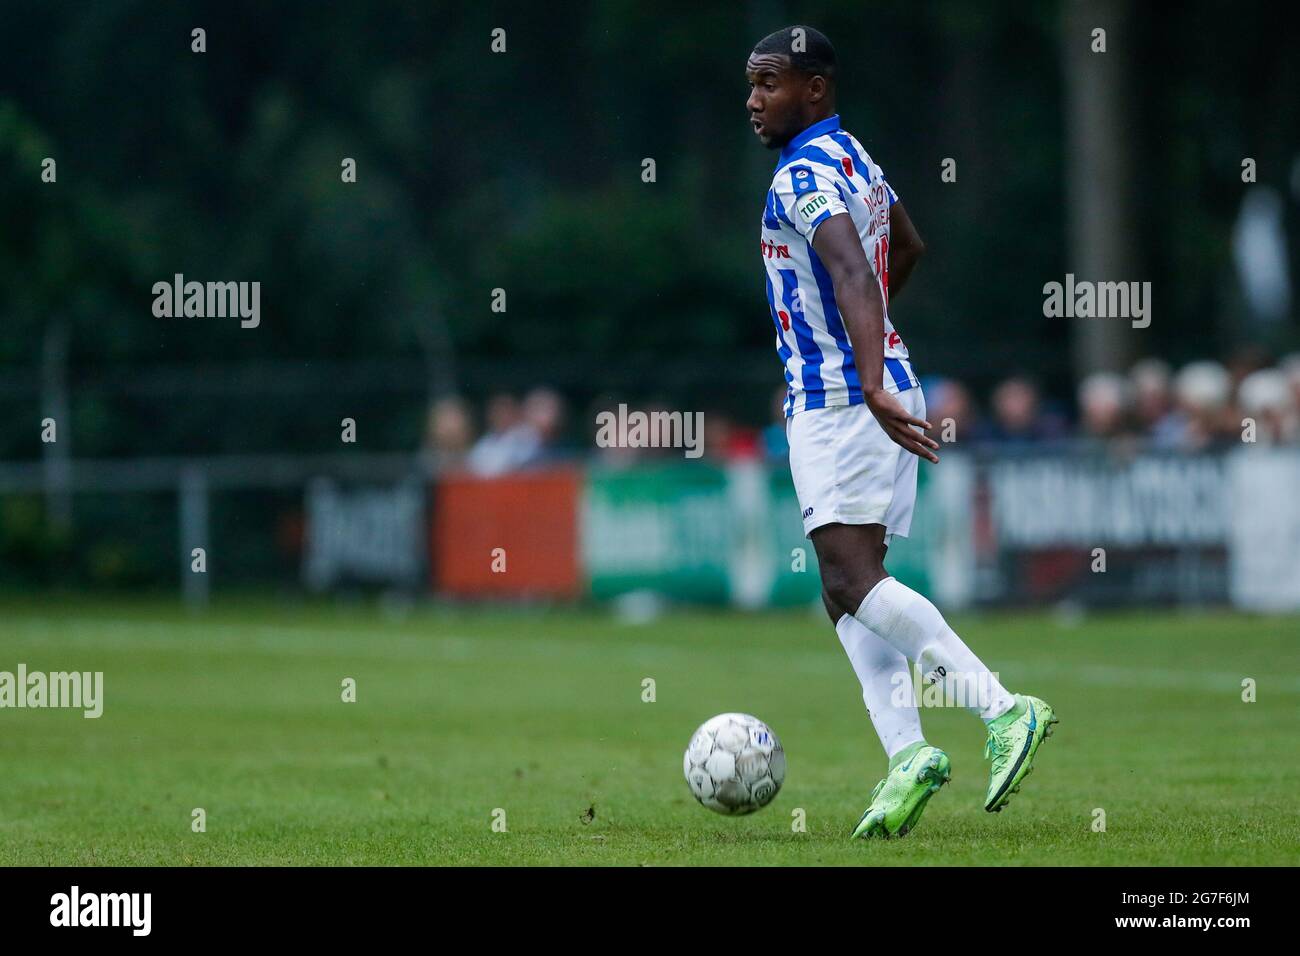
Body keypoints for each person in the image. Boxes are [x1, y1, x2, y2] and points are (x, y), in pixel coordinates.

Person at [746, 25, 1057, 839]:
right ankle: (908, 754)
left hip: (846, 400)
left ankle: (1002, 708)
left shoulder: (805, 173)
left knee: (850, 580)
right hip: (867, 387)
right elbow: (906, 249)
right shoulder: (856, 159)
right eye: (750, 84)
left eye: (769, 83)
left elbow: (855, 269)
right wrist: (878, 351)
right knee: (846, 587)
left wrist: (867, 376)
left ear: (814, 88)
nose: (753, 100)